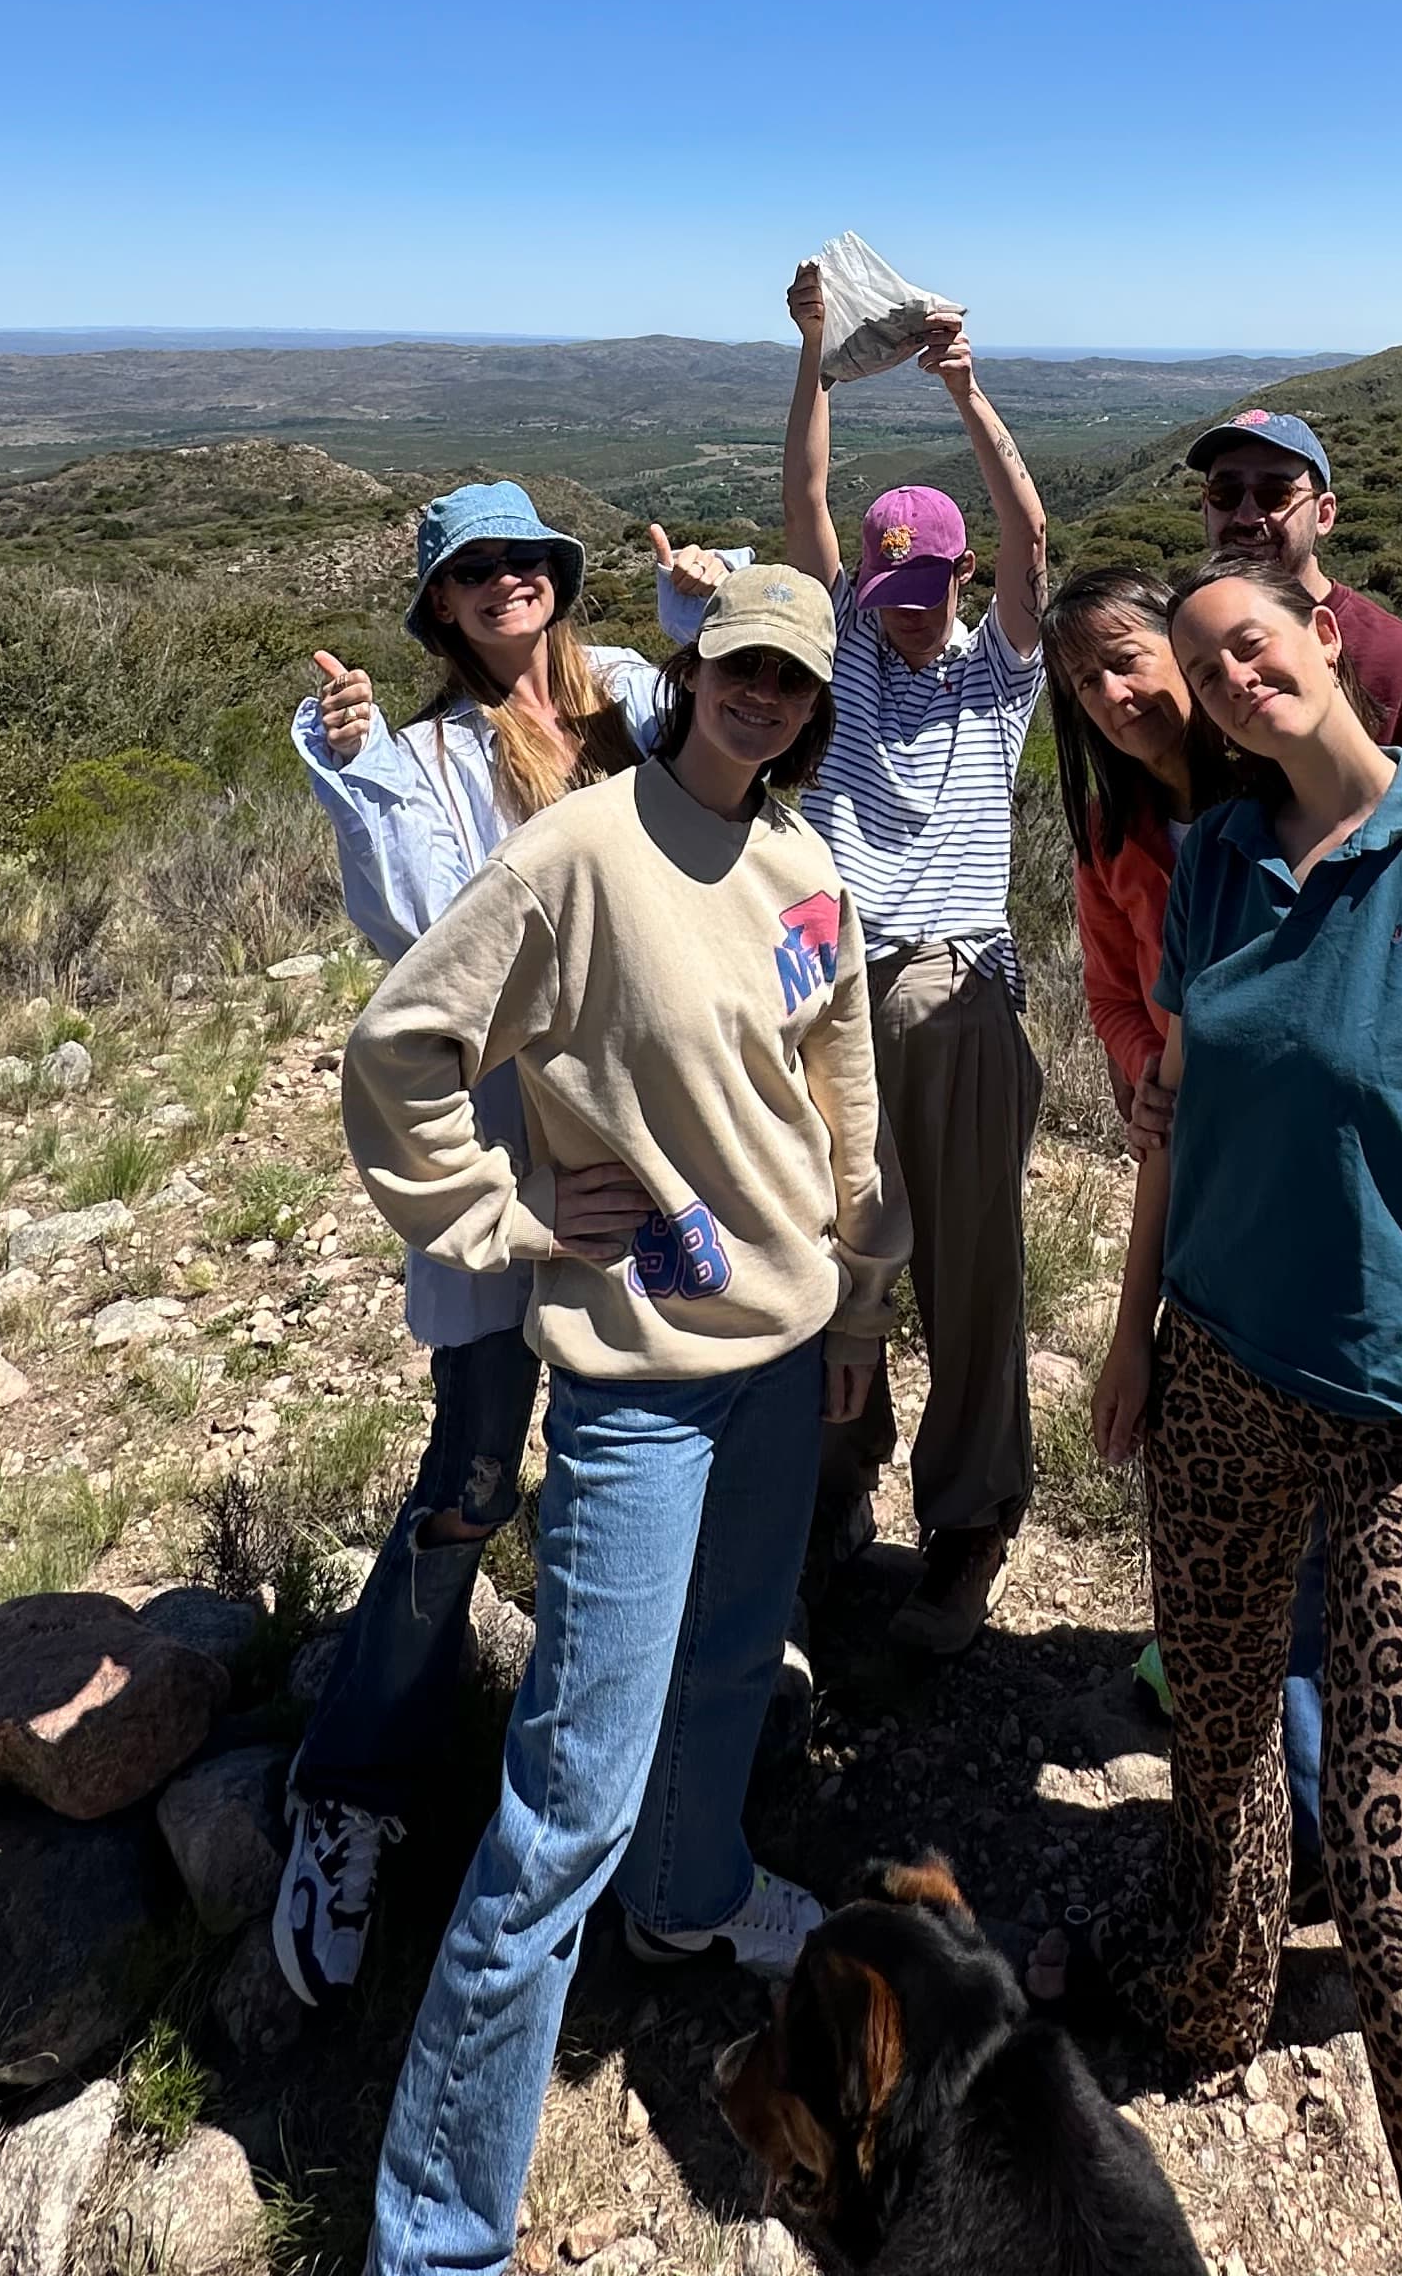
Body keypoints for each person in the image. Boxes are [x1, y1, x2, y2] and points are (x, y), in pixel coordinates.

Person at [339, 563, 906, 2276]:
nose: (761, 698)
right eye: (737, 666)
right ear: (687, 671)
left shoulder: (806, 868)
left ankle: (691, 1892)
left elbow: (841, 1090)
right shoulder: (581, 851)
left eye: (792, 683)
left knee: (731, 1667)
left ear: (814, 707)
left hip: (779, 1346)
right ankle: (432, 2236)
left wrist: (855, 1296)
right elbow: (402, 1045)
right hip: (642, 1380)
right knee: (559, 1805)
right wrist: (501, 1222)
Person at [1040, 565, 1402, 2189]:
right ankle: (1215, 1980)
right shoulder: (1202, 854)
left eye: (1236, 646)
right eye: (1098, 672)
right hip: (1223, 1351)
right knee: (1226, 1732)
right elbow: (1163, 1076)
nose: (1168, 685)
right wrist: (1130, 1324)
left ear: (1320, 633)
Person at [274, 479, 676, 2004]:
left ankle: (620, 1789)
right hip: (524, 1174)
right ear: (442, 606)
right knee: (471, 1476)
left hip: (652, 1152)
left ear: (560, 582)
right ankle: (354, 1789)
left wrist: (711, 609)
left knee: (634, 1462)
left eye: (529, 562)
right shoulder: (431, 760)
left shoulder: (636, 695)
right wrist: (360, 775)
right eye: (476, 571)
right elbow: (421, 947)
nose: (509, 583)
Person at [779, 256, 1050, 1658]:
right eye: (900, 581)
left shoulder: (998, 676)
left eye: (935, 579)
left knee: (967, 1267)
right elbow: (808, 509)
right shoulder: (853, 648)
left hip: (952, 987)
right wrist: (818, 354)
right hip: (831, 993)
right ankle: (838, 1496)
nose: (916, 602)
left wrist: (967, 395)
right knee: (835, 1266)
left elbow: (1032, 536)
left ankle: (970, 1516)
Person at [1181, 408, 1402, 825]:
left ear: (1323, 514)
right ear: (1205, 508)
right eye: (1225, 494)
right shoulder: (1184, 649)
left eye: (1275, 495)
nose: (1247, 516)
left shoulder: (1398, 658)